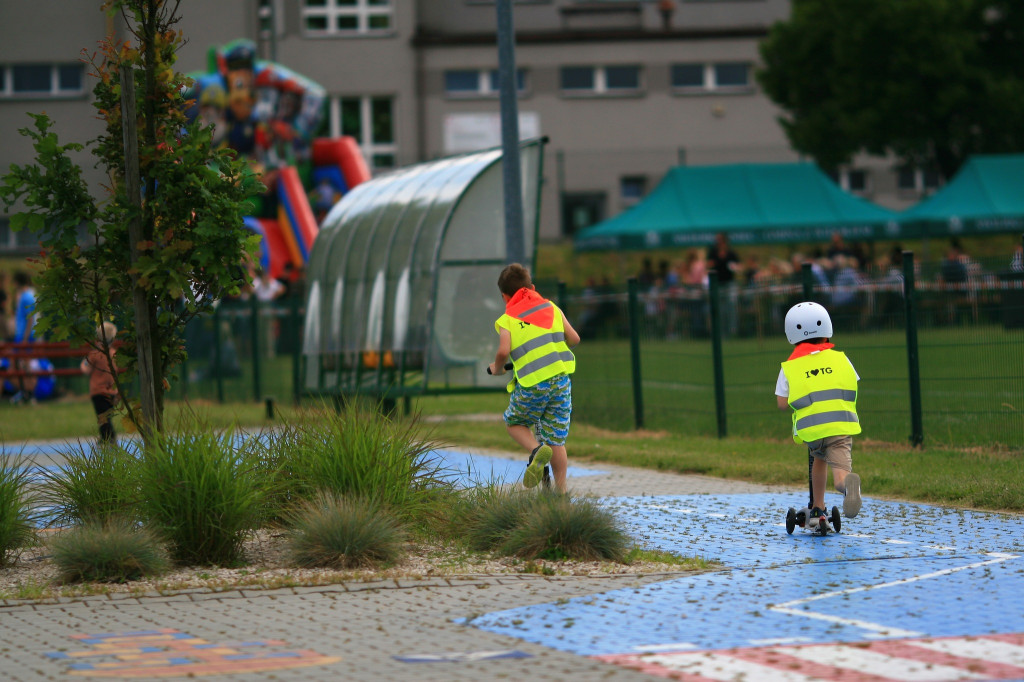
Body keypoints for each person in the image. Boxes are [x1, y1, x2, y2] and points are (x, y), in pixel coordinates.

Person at [488, 263, 580, 493]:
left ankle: (536, 450)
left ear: (505, 297)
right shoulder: (551, 307)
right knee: (556, 440)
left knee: (514, 423)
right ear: (533, 287)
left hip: (533, 384)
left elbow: (503, 351)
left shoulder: (508, 318)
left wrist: (498, 367)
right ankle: (561, 493)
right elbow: (574, 338)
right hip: (560, 382)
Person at [775, 301, 862, 520]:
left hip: (813, 429)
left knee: (818, 459)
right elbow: (853, 381)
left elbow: (782, 404)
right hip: (841, 424)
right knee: (841, 474)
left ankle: (818, 506)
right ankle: (847, 487)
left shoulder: (790, 367)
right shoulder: (841, 358)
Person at [80, 322, 119, 444]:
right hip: (112, 391)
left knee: (102, 417)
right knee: (107, 416)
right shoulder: (114, 354)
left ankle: (108, 437)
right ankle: (107, 436)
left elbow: (87, 370)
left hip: (98, 391)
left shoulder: (95, 354)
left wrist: (82, 365)